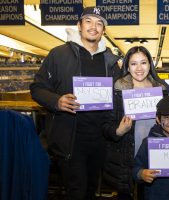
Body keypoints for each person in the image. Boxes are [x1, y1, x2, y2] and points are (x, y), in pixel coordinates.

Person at [30, 7, 122, 200]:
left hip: (100, 140)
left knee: (90, 191)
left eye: (99, 23)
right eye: (88, 21)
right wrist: (57, 100)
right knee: (76, 192)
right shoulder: (58, 55)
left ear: (103, 30)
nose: (93, 27)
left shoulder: (111, 62)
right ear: (79, 26)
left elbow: (120, 95)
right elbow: (37, 88)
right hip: (71, 140)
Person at [102, 46, 169, 199]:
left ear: (150, 65)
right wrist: (118, 131)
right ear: (127, 66)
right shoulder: (117, 90)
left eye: (143, 63)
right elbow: (105, 124)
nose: (139, 68)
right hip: (126, 159)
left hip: (156, 156)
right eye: (133, 64)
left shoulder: (163, 90)